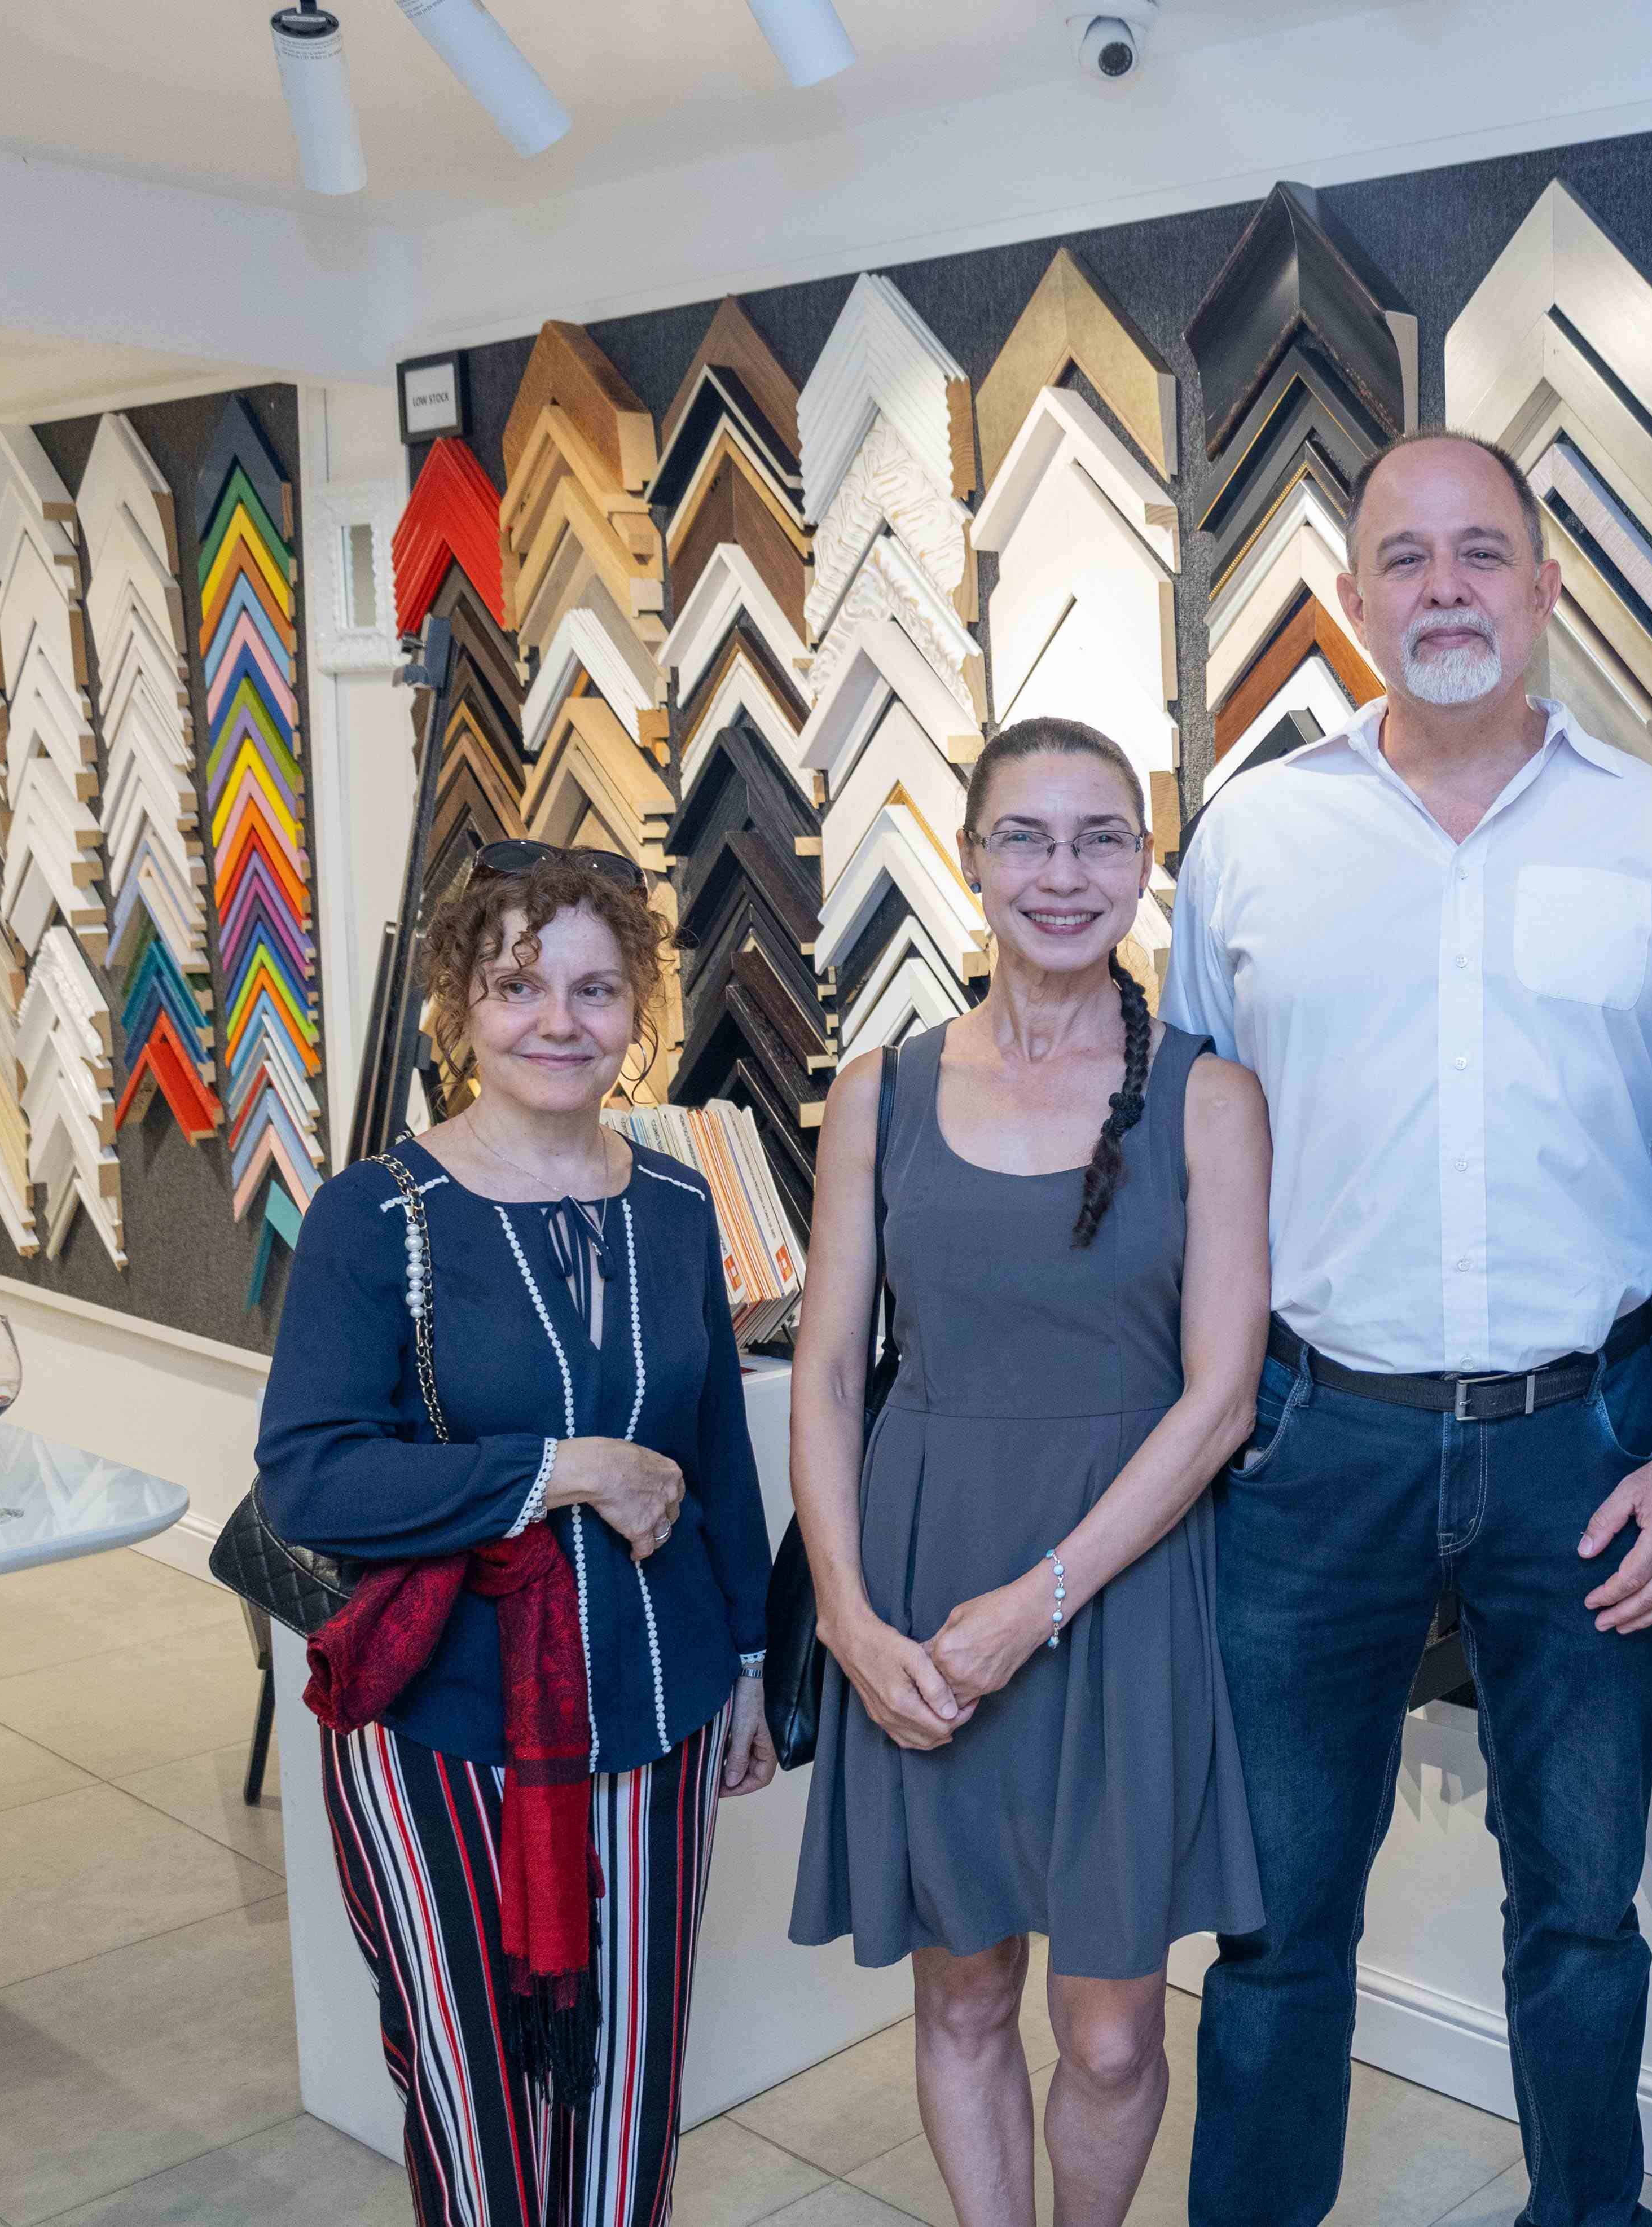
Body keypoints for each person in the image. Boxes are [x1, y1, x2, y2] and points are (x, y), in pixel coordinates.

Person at [1169, 431, 1652, 2227]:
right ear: (1353, 602)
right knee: (1275, 1919)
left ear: (1546, 585)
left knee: (1578, 1905)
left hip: (1581, 1448)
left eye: (1481, 553)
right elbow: (1203, 1152)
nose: (1445, 589)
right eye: (1406, 558)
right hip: (1306, 1441)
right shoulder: (1253, 838)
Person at [788, 718, 1271, 2227]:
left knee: (1116, 2028)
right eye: (1027, 838)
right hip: (923, 1570)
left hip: (1116, 1590)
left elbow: (1220, 1399)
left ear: (1144, 866)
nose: (1064, 874)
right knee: (966, 1981)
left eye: (1101, 838)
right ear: (969, 858)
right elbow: (822, 1365)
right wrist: (847, 1618)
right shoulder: (877, 1089)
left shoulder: (1208, 1097)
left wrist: (1042, 1598)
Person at [259, 842, 780, 2227]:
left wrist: (744, 1665)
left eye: (596, 988)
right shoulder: (376, 1215)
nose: (560, 1020)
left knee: (628, 2082)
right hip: (444, 1723)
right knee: (476, 2085)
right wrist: (565, 1470)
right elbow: (309, 1478)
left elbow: (717, 1449)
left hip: (658, 1715)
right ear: (459, 1008)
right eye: (517, 984)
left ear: (636, 1012)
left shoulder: (674, 1202)